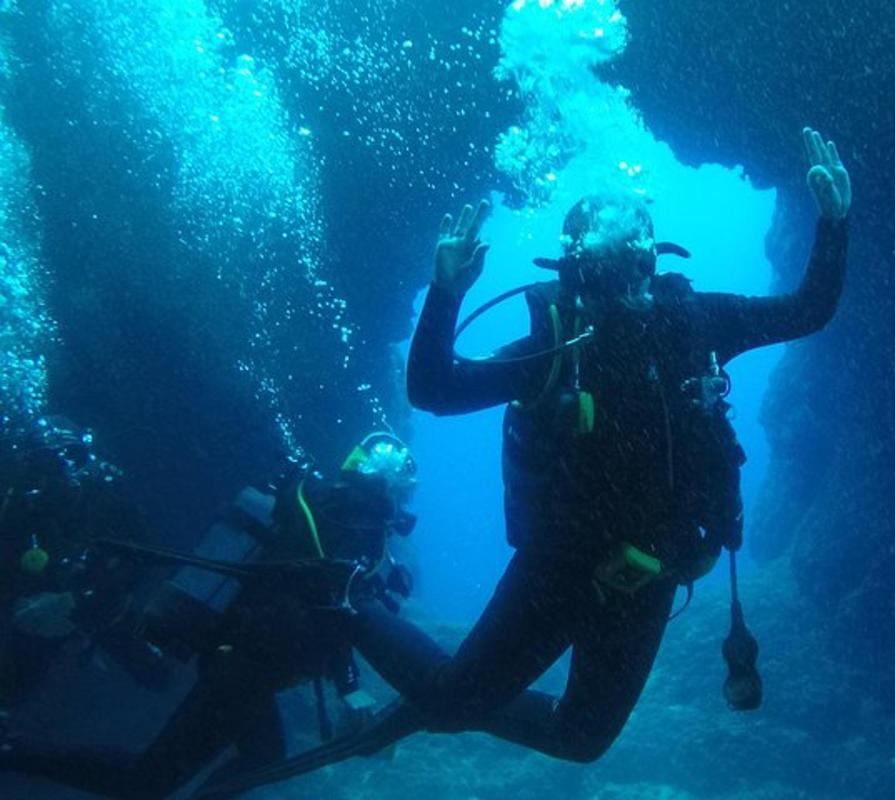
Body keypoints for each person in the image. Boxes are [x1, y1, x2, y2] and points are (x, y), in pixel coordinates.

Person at [184, 127, 851, 799]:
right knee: (450, 704)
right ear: (576, 264)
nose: (624, 269)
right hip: (559, 568)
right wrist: (445, 294)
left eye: (633, 248)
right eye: (606, 254)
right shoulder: (556, 347)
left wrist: (833, 222)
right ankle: (350, 602)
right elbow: (434, 390)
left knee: (582, 737)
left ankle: (438, 698)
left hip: (649, 575)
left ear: (652, 253)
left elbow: (809, 309)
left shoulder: (699, 323)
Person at [0, 432, 418, 800]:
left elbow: (320, 591)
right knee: (148, 781)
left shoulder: (332, 506)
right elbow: (330, 600)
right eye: (408, 486)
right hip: (248, 663)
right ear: (393, 480)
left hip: (241, 654)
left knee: (263, 755)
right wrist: (350, 688)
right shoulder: (358, 516)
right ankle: (11, 751)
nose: (408, 498)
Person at [0, 415, 168, 707]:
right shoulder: (20, 506)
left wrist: (86, 597)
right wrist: (24, 601)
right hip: (38, 607)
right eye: (46, 462)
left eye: (73, 457)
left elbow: (146, 554)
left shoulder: (105, 498)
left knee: (158, 677)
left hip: (98, 602)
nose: (62, 470)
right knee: (13, 687)